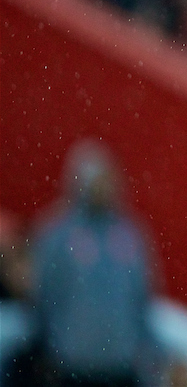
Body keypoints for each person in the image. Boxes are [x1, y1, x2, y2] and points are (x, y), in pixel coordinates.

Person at [30, 140, 160, 387]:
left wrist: (149, 351)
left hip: (122, 366)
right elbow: (43, 296)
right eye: (99, 180)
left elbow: (142, 299)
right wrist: (51, 347)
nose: (106, 187)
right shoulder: (56, 234)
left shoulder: (130, 233)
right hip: (72, 367)